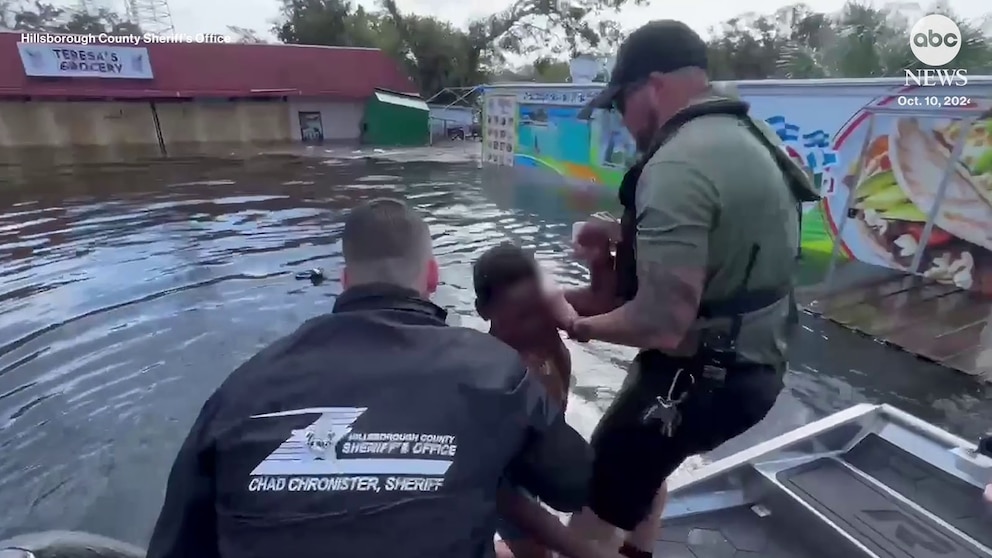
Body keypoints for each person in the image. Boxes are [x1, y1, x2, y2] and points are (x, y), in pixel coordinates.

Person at [146, 198, 595, 558]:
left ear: (344, 280)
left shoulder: (240, 390)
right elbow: (576, 485)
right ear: (433, 276)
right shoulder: (494, 370)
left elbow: (175, 545)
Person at [551, 20, 820, 558]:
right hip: (759, 366)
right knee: (648, 472)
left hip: (699, 380)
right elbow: (727, 249)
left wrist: (571, 320)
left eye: (619, 105)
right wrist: (622, 235)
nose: (622, 123)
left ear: (650, 87)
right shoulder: (745, 136)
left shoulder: (676, 163)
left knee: (602, 490)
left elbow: (660, 323)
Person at [473, 242, 572, 558]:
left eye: (538, 308)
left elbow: (562, 362)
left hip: (539, 455)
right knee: (534, 550)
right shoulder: (490, 371)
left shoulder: (546, 335)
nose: (534, 322)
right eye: (521, 314)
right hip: (508, 476)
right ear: (483, 311)